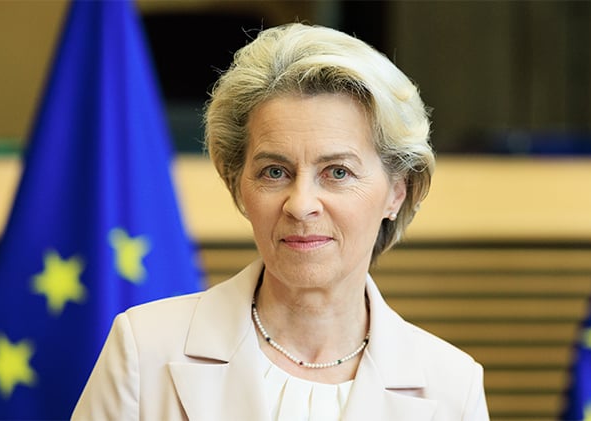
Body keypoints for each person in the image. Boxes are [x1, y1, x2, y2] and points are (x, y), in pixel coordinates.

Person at [72, 22, 489, 420]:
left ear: (397, 192)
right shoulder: (144, 350)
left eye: (337, 172)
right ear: (238, 185)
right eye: (275, 172)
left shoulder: (452, 388)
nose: (301, 205)